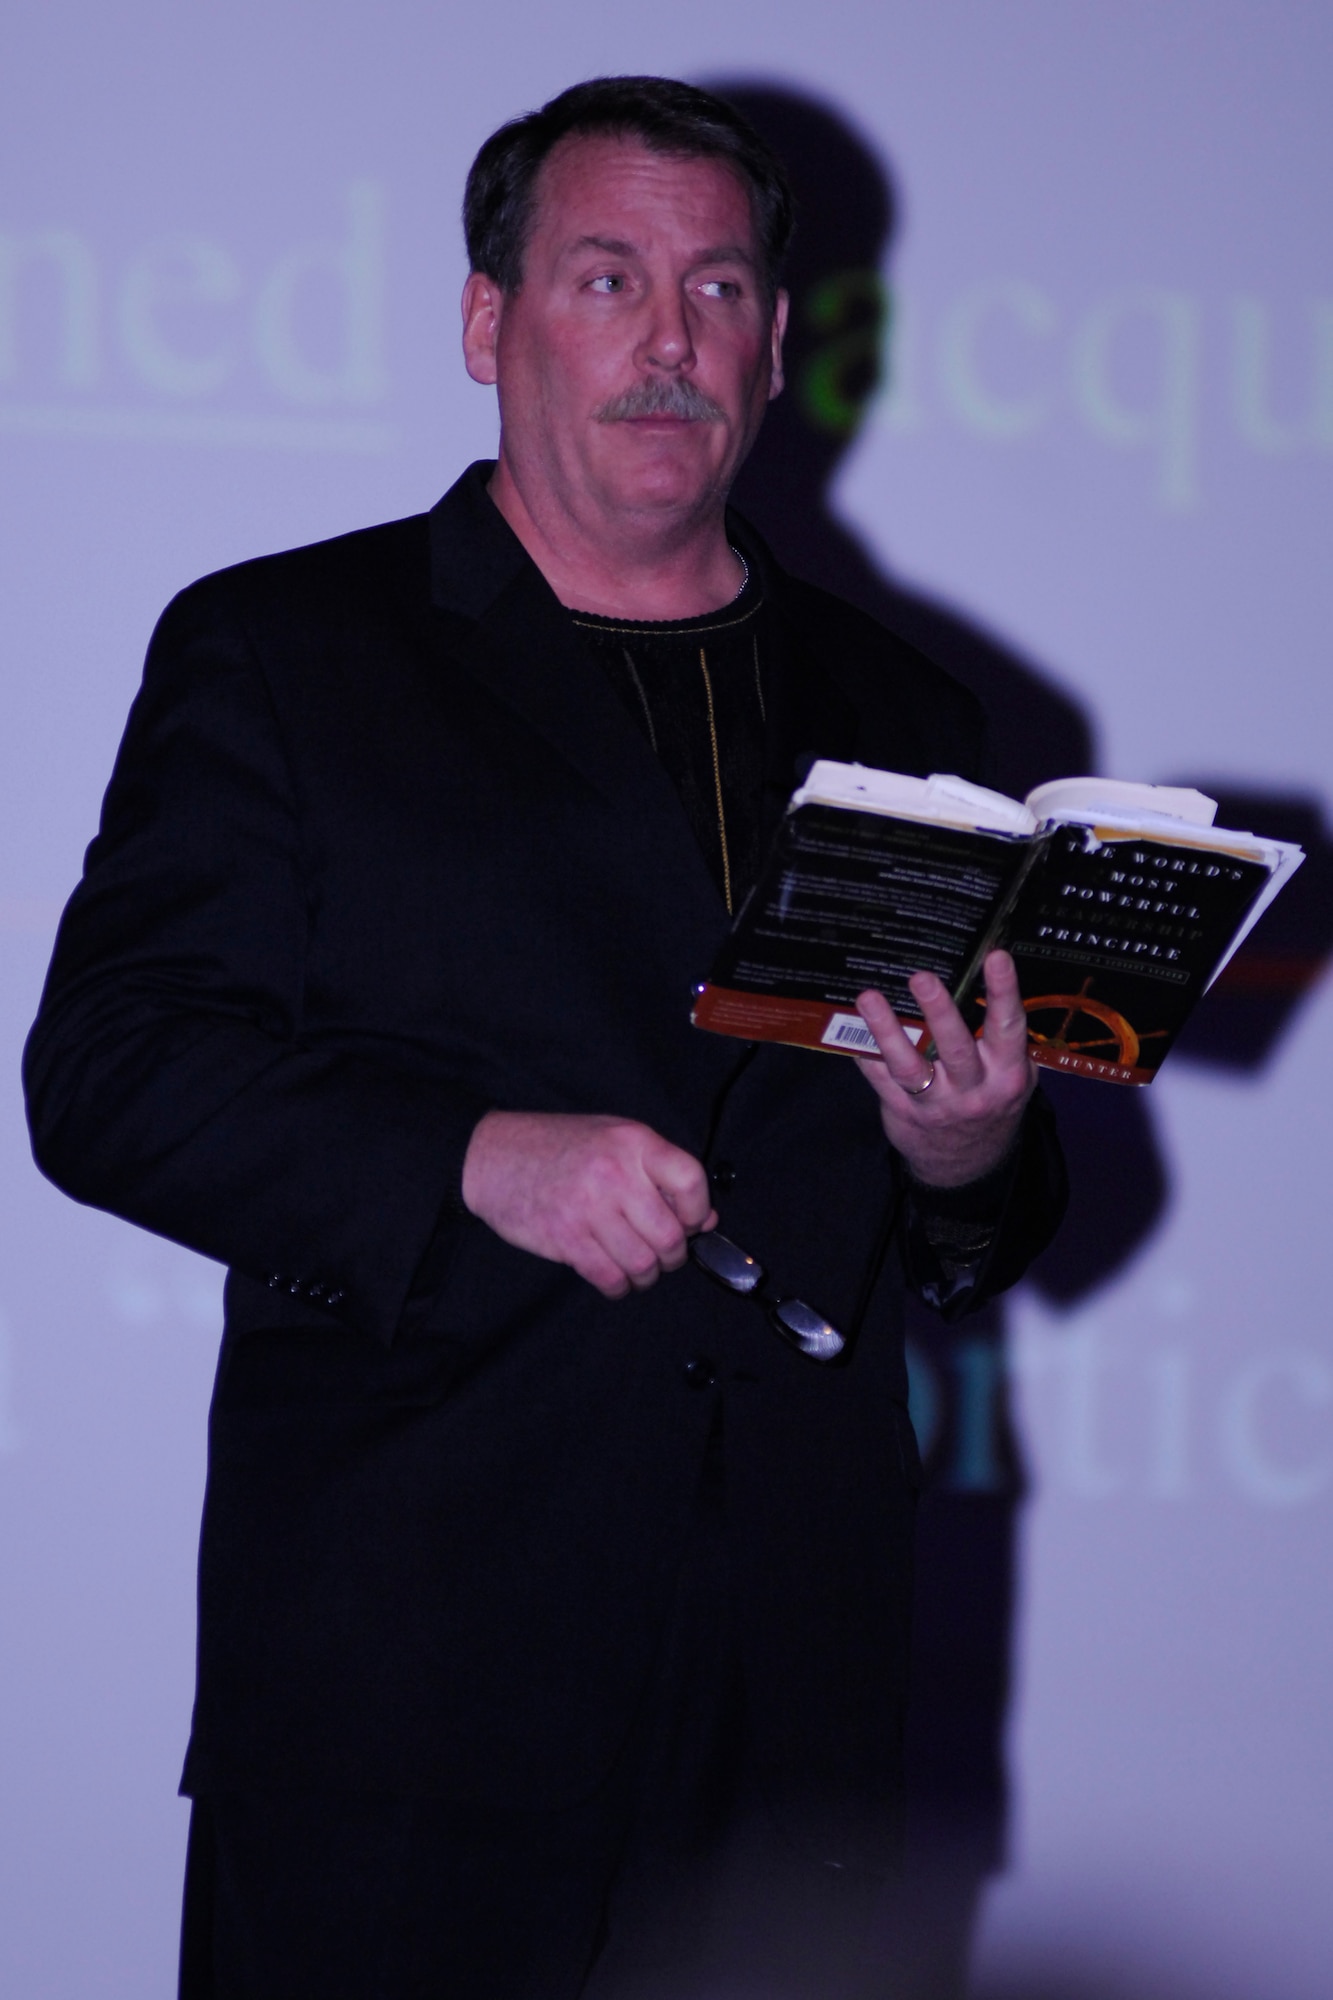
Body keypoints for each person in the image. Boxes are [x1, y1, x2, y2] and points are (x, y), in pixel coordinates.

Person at [23, 77, 1065, 2000]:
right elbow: (108, 1073)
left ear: (775, 339)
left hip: (799, 1708)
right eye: (606, 279)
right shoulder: (285, 650)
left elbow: (975, 1216)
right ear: (491, 323)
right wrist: (472, 1159)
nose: (670, 342)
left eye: (720, 288)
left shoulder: (915, 707)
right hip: (405, 1701)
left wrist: (962, 1150)